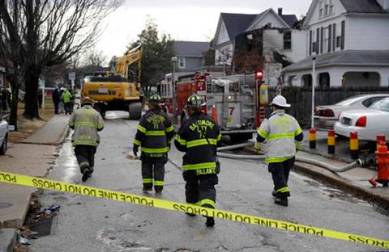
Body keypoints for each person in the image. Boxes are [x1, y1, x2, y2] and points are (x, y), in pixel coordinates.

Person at [174, 94, 222, 227]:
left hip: (192, 165)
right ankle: (209, 212)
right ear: (201, 107)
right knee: (208, 188)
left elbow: (179, 144)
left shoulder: (186, 124)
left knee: (192, 186)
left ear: (189, 109)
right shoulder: (212, 122)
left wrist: (190, 146)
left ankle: (192, 210)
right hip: (209, 163)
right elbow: (219, 141)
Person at [256, 95, 303, 207]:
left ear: (274, 107)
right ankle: (278, 190)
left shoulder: (269, 121)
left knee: (278, 176)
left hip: (275, 155)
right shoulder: (292, 120)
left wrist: (258, 146)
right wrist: (296, 148)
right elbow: (300, 136)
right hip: (290, 155)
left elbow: (260, 138)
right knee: (283, 176)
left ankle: (283, 197)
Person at [133, 94, 175, 194]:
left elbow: (140, 134)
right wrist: (168, 143)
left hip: (147, 150)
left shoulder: (145, 117)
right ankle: (159, 188)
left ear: (150, 104)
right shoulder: (165, 116)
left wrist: (135, 146)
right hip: (161, 150)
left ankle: (147, 187)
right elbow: (171, 133)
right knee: (159, 168)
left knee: (146, 167)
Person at [69, 97, 104, 182]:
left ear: (82, 104)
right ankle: (90, 170)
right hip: (92, 139)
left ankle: (85, 168)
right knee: (90, 155)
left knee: (80, 154)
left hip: (79, 139)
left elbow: (70, 124)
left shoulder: (76, 112)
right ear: (92, 104)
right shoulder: (96, 113)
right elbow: (100, 127)